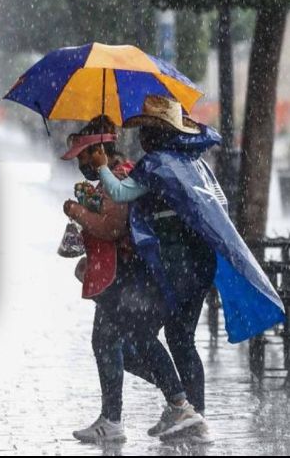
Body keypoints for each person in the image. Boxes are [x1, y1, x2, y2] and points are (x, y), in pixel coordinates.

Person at [91, 95, 285, 439]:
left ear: (157, 134)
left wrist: (102, 166)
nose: (140, 139)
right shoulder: (196, 164)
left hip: (175, 265)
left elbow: (120, 195)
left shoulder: (156, 165)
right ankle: (195, 418)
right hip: (200, 265)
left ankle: (181, 405)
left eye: (145, 131)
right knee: (182, 338)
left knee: (138, 333)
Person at [61, 115, 203, 443]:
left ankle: (180, 404)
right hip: (125, 278)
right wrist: (89, 203)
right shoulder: (115, 176)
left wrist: (77, 211)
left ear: (98, 150)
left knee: (134, 339)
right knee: (111, 340)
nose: (81, 162)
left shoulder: (127, 173)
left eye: (84, 155)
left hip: (133, 278)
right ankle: (144, 410)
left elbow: (114, 225)